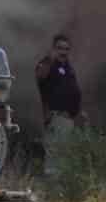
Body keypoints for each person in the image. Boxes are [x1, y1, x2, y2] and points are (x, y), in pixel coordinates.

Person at [35, 34, 85, 175]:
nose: (63, 51)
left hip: (69, 119)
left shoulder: (67, 67)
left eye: (66, 49)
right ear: (53, 49)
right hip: (55, 118)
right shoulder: (48, 64)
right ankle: (52, 191)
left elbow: (73, 91)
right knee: (54, 159)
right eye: (60, 48)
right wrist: (50, 59)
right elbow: (39, 76)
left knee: (65, 158)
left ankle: (62, 192)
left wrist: (79, 112)